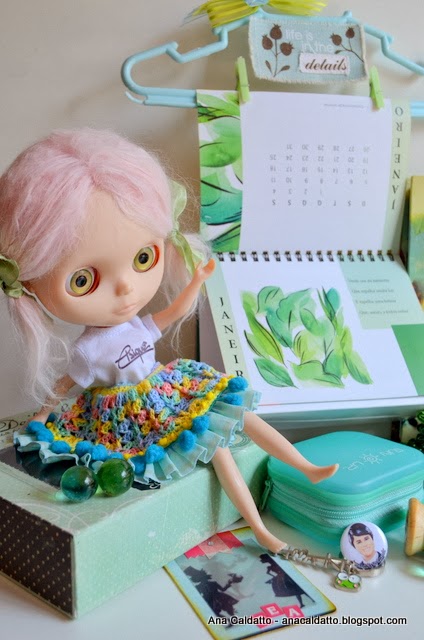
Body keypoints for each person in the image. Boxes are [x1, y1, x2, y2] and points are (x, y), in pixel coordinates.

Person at [0, 129, 338, 553]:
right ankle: (259, 529)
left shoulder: (136, 324)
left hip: (168, 387)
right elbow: (65, 385)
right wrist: (41, 416)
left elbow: (173, 313)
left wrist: (196, 280)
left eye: (143, 258)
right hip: (130, 413)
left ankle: (305, 466)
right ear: (29, 284)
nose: (126, 288)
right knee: (218, 452)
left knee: (236, 414)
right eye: (83, 280)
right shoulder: (88, 350)